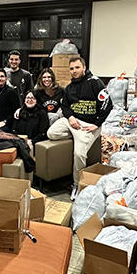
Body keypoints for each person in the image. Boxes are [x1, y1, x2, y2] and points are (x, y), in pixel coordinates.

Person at [47, 56, 111, 191]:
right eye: (71, 68)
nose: (74, 71)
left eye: (77, 67)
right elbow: (64, 106)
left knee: (79, 155)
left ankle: (77, 184)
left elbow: (107, 104)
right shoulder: (69, 87)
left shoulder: (95, 82)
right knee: (51, 133)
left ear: (84, 68)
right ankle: (74, 136)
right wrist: (70, 117)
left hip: (88, 126)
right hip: (73, 121)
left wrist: (97, 124)